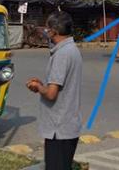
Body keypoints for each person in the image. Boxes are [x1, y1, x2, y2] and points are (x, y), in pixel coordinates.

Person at [27, 12, 83, 170]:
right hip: (68, 125)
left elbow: (51, 94)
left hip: (58, 128)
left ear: (53, 31)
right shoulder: (72, 50)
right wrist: (42, 85)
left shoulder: (62, 54)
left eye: (47, 28)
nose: (46, 31)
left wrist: (37, 87)